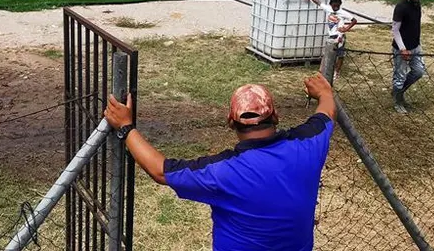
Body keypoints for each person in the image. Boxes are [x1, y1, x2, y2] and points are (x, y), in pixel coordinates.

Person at [104, 75, 336, 251]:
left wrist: (126, 127)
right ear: (275, 117)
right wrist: (325, 92)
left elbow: (160, 171)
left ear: (230, 122)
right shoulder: (310, 145)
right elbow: (326, 113)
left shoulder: (223, 172)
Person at [392, 0, 427, 114]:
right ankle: (398, 101)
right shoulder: (401, 7)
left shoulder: (418, 5)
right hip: (401, 49)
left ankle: (398, 92)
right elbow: (395, 30)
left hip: (415, 46)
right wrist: (402, 48)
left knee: (419, 71)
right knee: (399, 76)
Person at [302, 0, 357, 77]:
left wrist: (346, 28)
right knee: (328, 53)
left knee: (340, 55)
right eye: (334, 5)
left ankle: (337, 72)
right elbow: (318, 2)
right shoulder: (328, 9)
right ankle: (323, 70)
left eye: (337, 6)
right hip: (331, 36)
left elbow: (354, 20)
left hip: (339, 36)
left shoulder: (343, 13)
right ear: (331, 4)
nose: (336, 7)